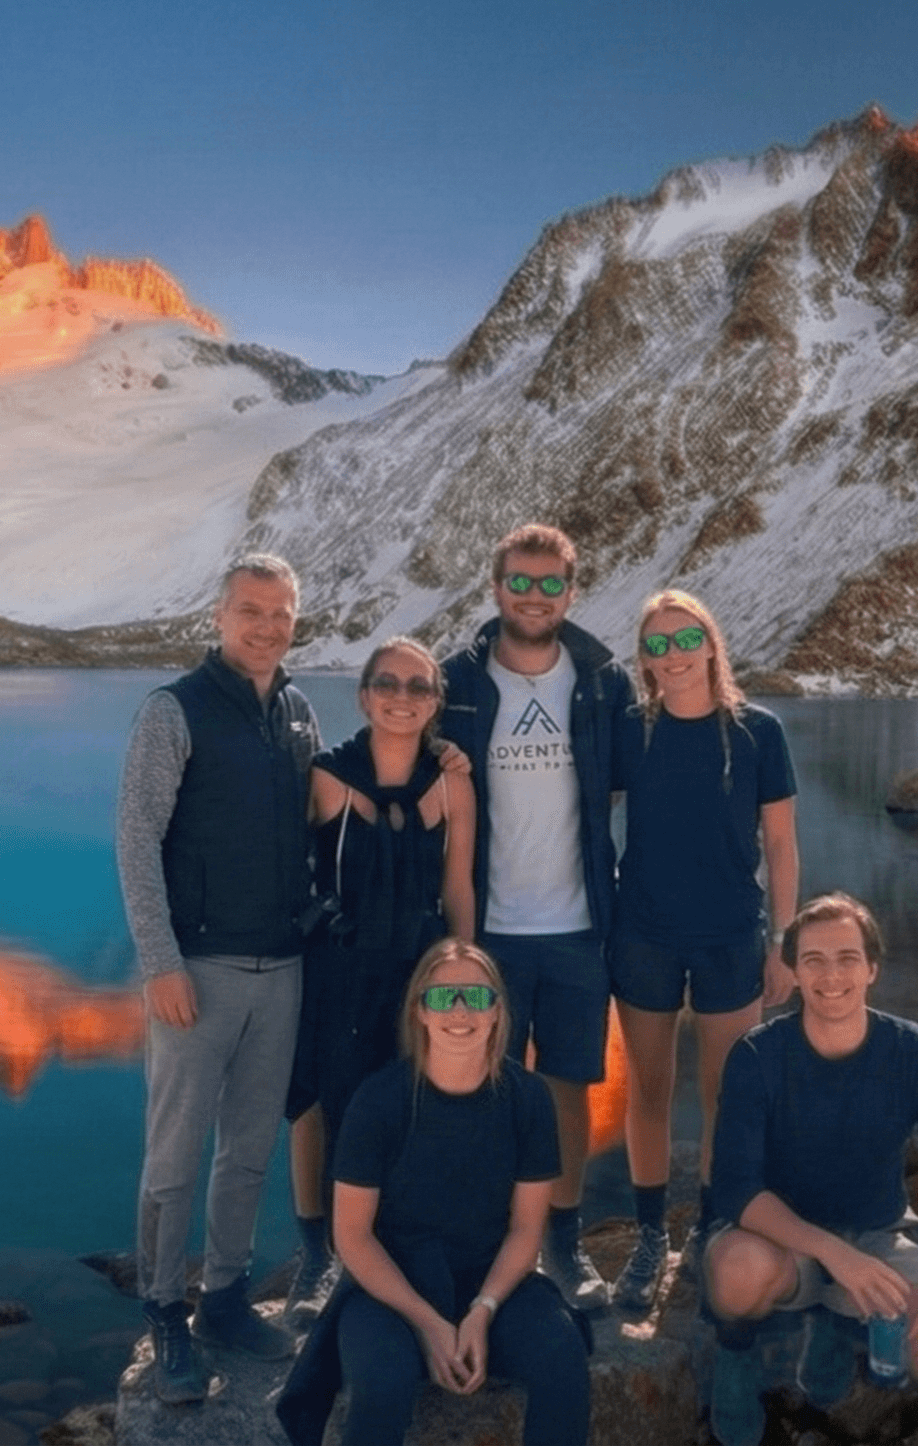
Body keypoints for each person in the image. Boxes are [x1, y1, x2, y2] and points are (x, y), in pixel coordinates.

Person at [117, 554, 321, 1401]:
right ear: (219, 616)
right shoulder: (174, 711)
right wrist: (160, 963)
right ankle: (164, 1308)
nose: (267, 626)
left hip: (282, 967)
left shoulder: (299, 712)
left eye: (281, 613)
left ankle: (227, 1298)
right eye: (250, 611)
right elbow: (136, 839)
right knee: (174, 1153)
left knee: (248, 1148)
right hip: (197, 970)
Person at [697, 893, 918, 1446]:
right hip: (783, 1240)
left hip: (878, 1231)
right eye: (814, 959)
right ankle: (736, 1355)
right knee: (736, 1277)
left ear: (872, 968)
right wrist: (835, 1256)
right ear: (794, 969)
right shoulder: (757, 1056)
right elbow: (737, 1189)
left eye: (847, 958)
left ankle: (834, 1321)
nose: (831, 975)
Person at [274, 940, 591, 1446]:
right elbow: (352, 1237)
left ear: (497, 1012)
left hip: (492, 1281)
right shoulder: (378, 1101)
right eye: (444, 998)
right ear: (420, 1010)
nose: (460, 1012)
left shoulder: (528, 1100)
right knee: (382, 1384)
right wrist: (427, 1322)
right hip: (389, 1290)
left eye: (476, 997)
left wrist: (483, 1310)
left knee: (562, 1354)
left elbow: (528, 1227)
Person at [436, 523, 634, 1313]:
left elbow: (637, 778)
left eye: (551, 583)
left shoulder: (600, 682)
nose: (534, 595)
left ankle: (563, 1236)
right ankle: (482, 1238)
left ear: (572, 593)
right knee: (480, 1088)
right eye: (521, 580)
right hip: (488, 934)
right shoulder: (456, 682)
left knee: (568, 1088)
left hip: (580, 926)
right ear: (496, 587)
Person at [607, 588, 799, 1314]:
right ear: (643, 660)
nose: (672, 655)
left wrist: (783, 942)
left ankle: (713, 1229)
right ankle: (651, 1237)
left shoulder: (759, 732)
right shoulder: (631, 729)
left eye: (684, 639)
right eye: (655, 645)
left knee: (726, 1095)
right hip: (644, 935)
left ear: (712, 643)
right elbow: (587, 813)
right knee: (649, 1092)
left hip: (729, 937)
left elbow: (780, 846)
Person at [283, 637, 476, 1322]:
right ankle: (319, 1253)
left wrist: (465, 981)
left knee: (415, 1105)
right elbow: (284, 872)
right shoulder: (325, 774)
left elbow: (458, 888)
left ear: (435, 702)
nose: (402, 698)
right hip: (338, 964)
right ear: (363, 696)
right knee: (318, 1099)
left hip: (420, 967)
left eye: (418, 687)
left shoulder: (453, 780)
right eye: (387, 684)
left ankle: (400, 1245)